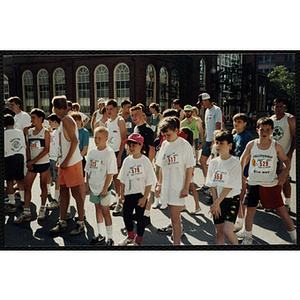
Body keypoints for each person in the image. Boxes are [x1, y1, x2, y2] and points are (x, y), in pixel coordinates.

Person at [239, 117, 296, 245]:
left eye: (267, 130)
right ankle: (248, 238)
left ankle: (294, 237)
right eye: (261, 130)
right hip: (253, 183)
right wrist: (241, 174)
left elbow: (286, 160)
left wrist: (284, 172)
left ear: (271, 131)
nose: (264, 132)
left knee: (282, 211)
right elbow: (243, 159)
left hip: (270, 184)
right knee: (250, 212)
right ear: (257, 130)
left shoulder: (276, 145)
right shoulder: (252, 144)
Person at [49, 96, 85, 236]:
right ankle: (62, 221)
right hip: (65, 163)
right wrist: (60, 160)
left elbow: (75, 142)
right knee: (63, 192)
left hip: (72, 163)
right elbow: (65, 143)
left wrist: (65, 161)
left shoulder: (66, 120)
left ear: (55, 108)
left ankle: (81, 223)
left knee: (76, 194)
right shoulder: (65, 121)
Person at [155, 116, 195, 245]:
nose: (165, 137)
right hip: (167, 186)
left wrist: (185, 187)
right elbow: (161, 166)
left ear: (177, 130)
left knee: (175, 217)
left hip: (178, 186)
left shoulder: (184, 145)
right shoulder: (165, 144)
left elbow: (189, 168)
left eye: (168, 134)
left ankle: (176, 244)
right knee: (172, 217)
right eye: (163, 135)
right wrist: (159, 184)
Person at [118, 133, 157, 246]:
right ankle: (130, 237)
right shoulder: (127, 161)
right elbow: (122, 180)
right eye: (129, 145)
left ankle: (138, 241)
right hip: (128, 194)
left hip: (141, 195)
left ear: (141, 146)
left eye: (134, 145)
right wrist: (121, 195)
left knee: (140, 219)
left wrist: (145, 198)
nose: (131, 148)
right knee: (127, 217)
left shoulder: (145, 161)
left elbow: (150, 181)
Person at [14, 108, 50, 224]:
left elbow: (46, 150)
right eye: (31, 117)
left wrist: (33, 161)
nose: (31, 120)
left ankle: (42, 209)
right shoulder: (29, 132)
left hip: (43, 163)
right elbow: (28, 147)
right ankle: (27, 212)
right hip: (32, 165)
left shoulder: (46, 132)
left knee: (43, 187)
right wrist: (29, 161)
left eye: (34, 117)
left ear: (40, 118)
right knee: (27, 186)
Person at [206, 130, 242, 245]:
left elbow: (229, 187)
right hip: (217, 200)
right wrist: (215, 202)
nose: (218, 146)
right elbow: (212, 184)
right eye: (217, 143)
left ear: (230, 145)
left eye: (222, 143)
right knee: (219, 233)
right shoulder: (213, 163)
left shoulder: (234, 163)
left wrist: (217, 202)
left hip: (231, 200)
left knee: (227, 231)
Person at [85, 127, 118, 246]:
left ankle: (110, 237)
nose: (97, 140)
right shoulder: (91, 152)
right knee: (97, 209)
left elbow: (110, 173)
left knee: (105, 211)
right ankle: (100, 234)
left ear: (106, 139)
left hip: (104, 188)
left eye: (100, 138)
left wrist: (105, 188)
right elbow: (88, 170)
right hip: (94, 186)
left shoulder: (109, 153)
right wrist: (87, 186)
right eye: (95, 137)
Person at [131, 105, 155, 225]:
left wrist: (149, 165)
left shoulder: (147, 129)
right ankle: (140, 212)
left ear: (142, 115)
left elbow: (152, 148)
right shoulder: (136, 128)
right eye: (132, 115)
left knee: (147, 190)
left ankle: (147, 215)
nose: (134, 117)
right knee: (139, 189)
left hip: (145, 164)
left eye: (136, 114)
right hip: (137, 164)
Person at [270, 98, 296, 211]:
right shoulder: (271, 120)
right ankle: (275, 202)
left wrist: (290, 153)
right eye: (277, 106)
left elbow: (294, 137)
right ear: (273, 107)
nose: (279, 109)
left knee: (284, 178)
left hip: (284, 153)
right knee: (273, 179)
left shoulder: (290, 119)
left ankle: (287, 203)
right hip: (272, 155)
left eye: (281, 106)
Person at [231, 113, 254, 232]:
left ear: (245, 123)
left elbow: (248, 156)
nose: (236, 123)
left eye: (239, 121)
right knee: (236, 197)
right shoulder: (235, 136)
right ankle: (238, 220)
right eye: (235, 121)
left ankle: (243, 224)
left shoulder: (247, 137)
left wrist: (243, 173)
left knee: (242, 198)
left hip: (243, 172)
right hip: (235, 171)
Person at [105, 99, 127, 216]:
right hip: (110, 153)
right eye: (107, 109)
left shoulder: (120, 120)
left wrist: (119, 156)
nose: (109, 111)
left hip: (119, 152)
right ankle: (118, 198)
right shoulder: (108, 122)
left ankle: (121, 202)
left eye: (111, 109)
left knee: (119, 178)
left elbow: (124, 140)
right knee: (114, 178)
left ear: (116, 109)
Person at [197, 93, 222, 192]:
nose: (202, 105)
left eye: (202, 102)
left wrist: (214, 142)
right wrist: (204, 142)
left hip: (215, 141)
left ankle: (214, 186)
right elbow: (207, 128)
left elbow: (218, 127)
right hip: (207, 141)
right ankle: (207, 183)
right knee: (202, 161)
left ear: (207, 100)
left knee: (214, 164)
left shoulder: (216, 110)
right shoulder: (207, 111)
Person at [4, 114, 26, 213]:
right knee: (20, 179)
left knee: (9, 180)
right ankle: (23, 200)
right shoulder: (19, 132)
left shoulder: (5, 133)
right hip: (20, 155)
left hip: (9, 156)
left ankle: (12, 203)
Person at [70, 112, 90, 218]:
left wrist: (76, 159)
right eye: (74, 120)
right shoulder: (69, 132)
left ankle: (81, 209)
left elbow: (84, 149)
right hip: (69, 161)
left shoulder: (84, 132)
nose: (76, 122)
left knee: (81, 185)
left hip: (79, 161)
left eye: (78, 120)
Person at [181, 127, 202, 214]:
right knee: (186, 187)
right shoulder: (189, 145)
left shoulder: (189, 146)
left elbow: (191, 160)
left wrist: (192, 171)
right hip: (185, 169)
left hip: (188, 170)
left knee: (192, 188)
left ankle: (197, 206)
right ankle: (183, 205)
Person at [46, 113, 61, 210]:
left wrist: (58, 161)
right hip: (51, 158)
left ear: (55, 121)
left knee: (57, 180)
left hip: (56, 159)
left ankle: (56, 199)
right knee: (51, 177)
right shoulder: (54, 132)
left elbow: (61, 148)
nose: (49, 124)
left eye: (50, 122)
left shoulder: (60, 132)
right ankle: (50, 193)